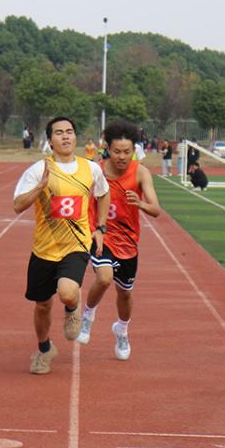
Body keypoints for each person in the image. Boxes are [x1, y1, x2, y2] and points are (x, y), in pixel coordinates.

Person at [12, 116, 111, 374]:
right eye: (59, 133)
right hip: (44, 249)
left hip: (76, 244)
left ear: (76, 137)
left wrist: (100, 228)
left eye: (69, 132)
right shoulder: (38, 170)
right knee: (42, 305)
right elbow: (17, 205)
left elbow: (103, 193)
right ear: (50, 140)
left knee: (67, 291)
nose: (65, 137)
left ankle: (72, 305)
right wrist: (40, 187)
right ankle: (44, 349)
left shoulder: (91, 168)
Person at [76, 120, 161, 360]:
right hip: (101, 234)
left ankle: (121, 329)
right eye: (117, 151)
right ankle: (87, 317)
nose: (122, 157)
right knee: (104, 278)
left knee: (124, 293)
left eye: (127, 151)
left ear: (134, 150)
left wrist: (140, 203)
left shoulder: (141, 173)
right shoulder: (96, 170)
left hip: (128, 242)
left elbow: (156, 209)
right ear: (107, 149)